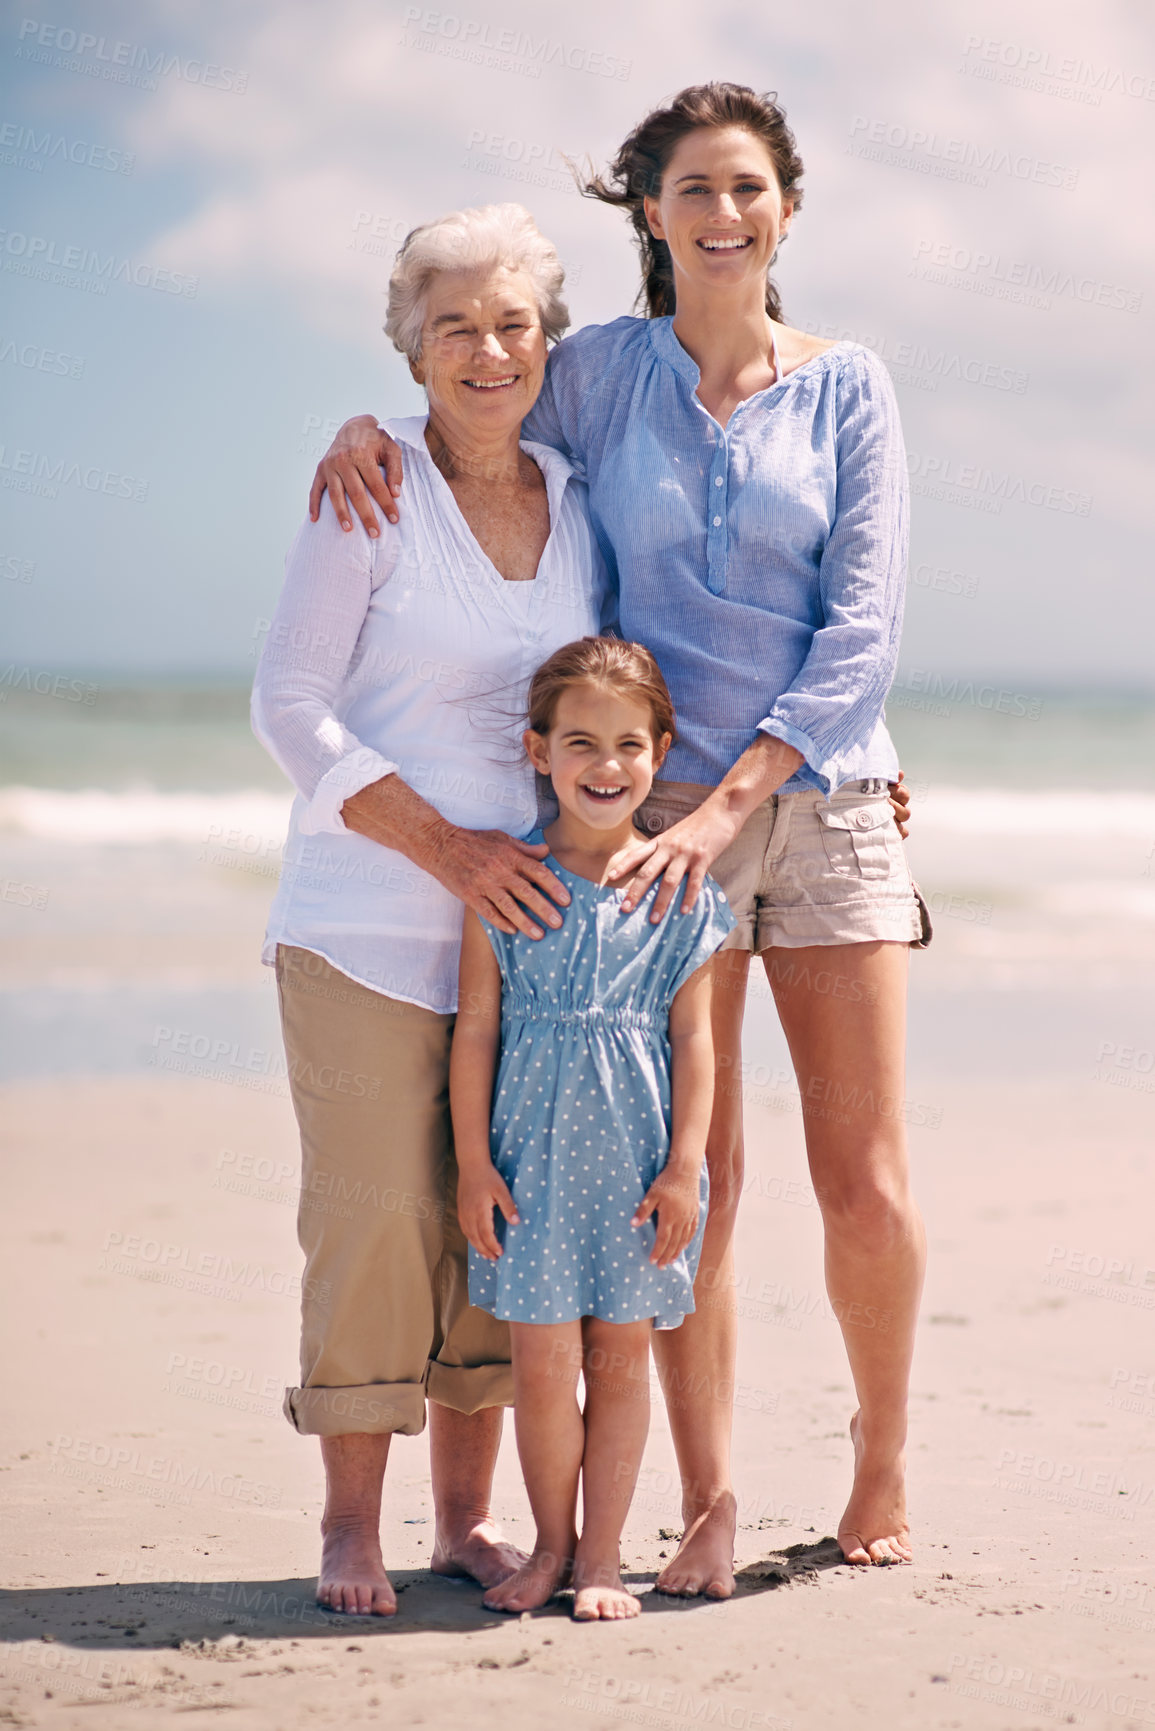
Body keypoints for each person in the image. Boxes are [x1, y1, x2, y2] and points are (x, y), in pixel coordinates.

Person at [310, 81, 927, 1593]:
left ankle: (880, 1456)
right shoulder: (602, 376)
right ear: (647, 215)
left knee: (860, 1176)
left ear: (786, 206)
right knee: (694, 1171)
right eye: (692, 190)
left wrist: (737, 800)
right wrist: (371, 425)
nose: (722, 214)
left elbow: (862, 630)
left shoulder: (849, 387)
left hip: (821, 802)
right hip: (652, 830)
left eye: (747, 186)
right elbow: (480, 376)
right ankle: (706, 1505)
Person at [251, 202, 609, 1616]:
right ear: (410, 345)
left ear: (545, 342)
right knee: (375, 1220)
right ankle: (350, 1521)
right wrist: (450, 849)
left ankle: (462, 1518)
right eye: (452, 322)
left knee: (493, 1225)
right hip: (364, 925)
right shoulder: (370, 485)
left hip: (525, 945)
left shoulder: (580, 490)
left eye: (510, 322)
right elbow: (288, 707)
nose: (485, 346)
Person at [452, 637, 734, 1620]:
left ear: (660, 751)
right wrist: (474, 1164)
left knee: (620, 1364)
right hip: (528, 1176)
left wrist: (684, 1169)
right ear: (538, 751)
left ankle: (605, 1559)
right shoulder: (503, 888)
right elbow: (476, 1030)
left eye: (627, 744)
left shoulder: (681, 894)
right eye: (580, 743)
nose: (605, 766)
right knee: (541, 1371)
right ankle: (549, 1550)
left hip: (635, 1177)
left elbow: (696, 1042)